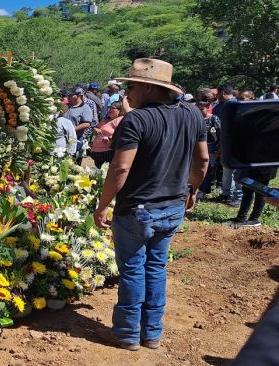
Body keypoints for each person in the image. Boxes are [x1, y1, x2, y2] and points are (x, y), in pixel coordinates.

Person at [93, 58, 209, 351]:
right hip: (172, 205)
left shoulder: (137, 120)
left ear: (147, 87)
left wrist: (102, 205)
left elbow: (120, 169)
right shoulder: (192, 115)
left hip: (137, 208)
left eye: (131, 85)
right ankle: (152, 333)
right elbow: (203, 159)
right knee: (156, 268)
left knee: (133, 270)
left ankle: (127, 334)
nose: (127, 91)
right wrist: (192, 189)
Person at [214, 84, 241, 205]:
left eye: (218, 94)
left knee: (237, 171)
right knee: (227, 169)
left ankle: (238, 196)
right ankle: (226, 194)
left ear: (223, 93)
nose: (217, 96)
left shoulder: (236, 106)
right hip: (226, 143)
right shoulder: (223, 106)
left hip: (236, 144)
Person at [196, 97, 222, 200]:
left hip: (211, 147)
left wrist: (218, 150)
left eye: (201, 109)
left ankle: (205, 190)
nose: (199, 111)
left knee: (208, 169)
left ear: (208, 108)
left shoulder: (214, 118)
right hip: (197, 146)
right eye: (198, 109)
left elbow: (220, 136)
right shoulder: (196, 118)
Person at [63, 87, 94, 164]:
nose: (68, 97)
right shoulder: (67, 106)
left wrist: (73, 129)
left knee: (73, 163)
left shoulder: (85, 108)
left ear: (78, 95)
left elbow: (87, 123)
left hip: (76, 139)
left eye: (71, 95)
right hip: (63, 139)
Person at [90, 101, 124, 168]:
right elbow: (97, 128)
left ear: (120, 110)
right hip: (97, 152)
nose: (110, 110)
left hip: (107, 152)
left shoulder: (120, 120)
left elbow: (121, 133)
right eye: (110, 108)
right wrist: (95, 130)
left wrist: (110, 137)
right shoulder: (105, 119)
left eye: (113, 108)